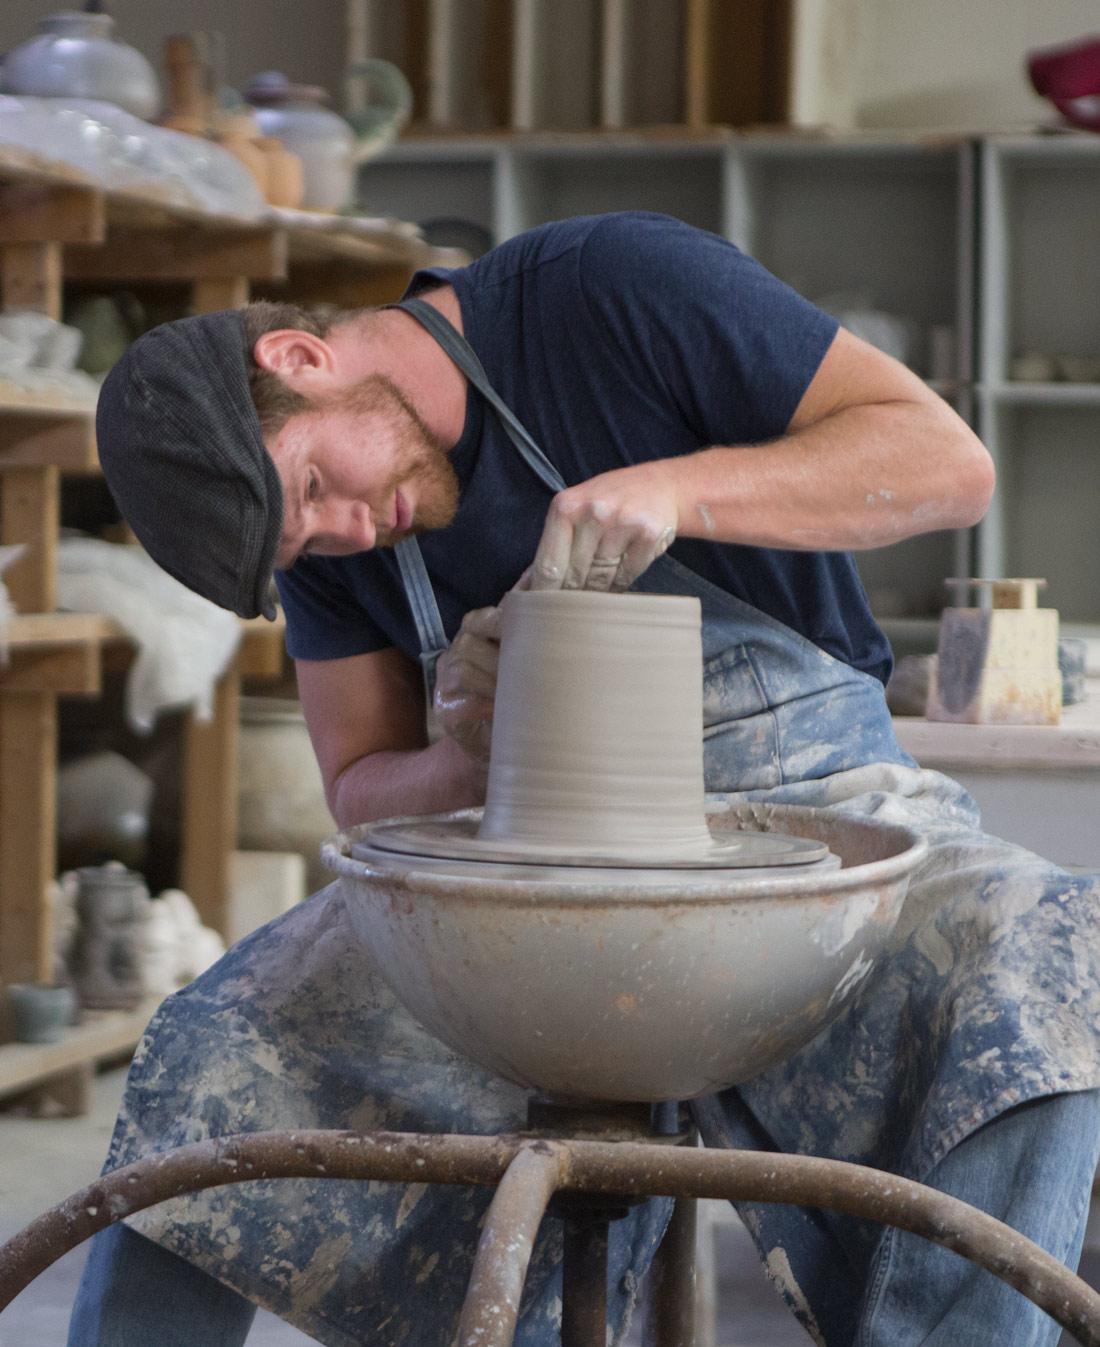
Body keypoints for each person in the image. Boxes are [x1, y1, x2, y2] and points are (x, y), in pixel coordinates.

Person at [69, 211, 1100, 1347]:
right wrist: (462, 746)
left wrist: (680, 493)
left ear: (302, 360)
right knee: (209, 1048)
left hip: (818, 821)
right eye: (305, 544)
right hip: (523, 894)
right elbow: (359, 784)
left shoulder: (603, 289)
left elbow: (948, 466)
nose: (346, 532)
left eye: (316, 487)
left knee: (1049, 949)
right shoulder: (332, 548)